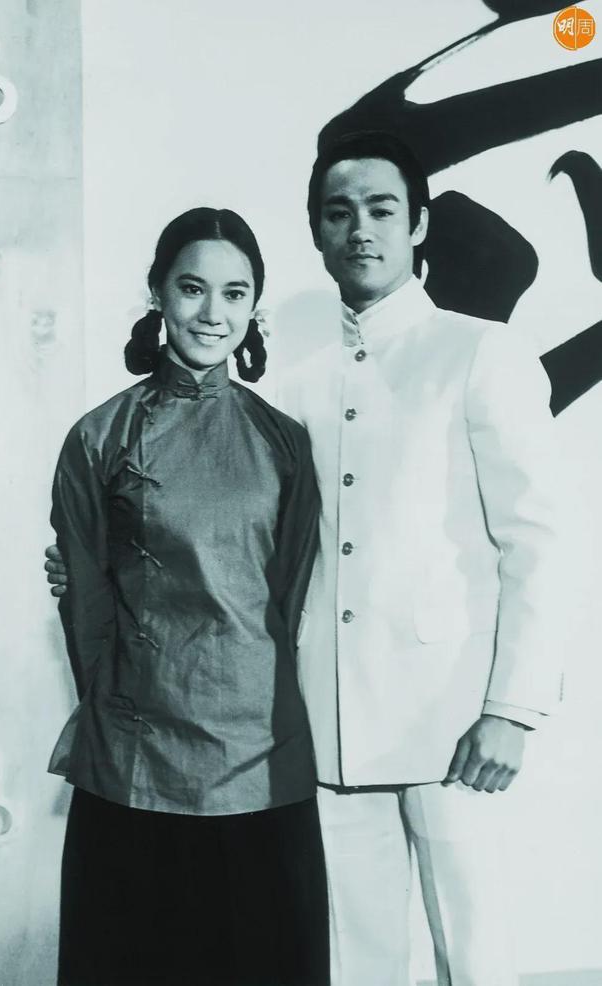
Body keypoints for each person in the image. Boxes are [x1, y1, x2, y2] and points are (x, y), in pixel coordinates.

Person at [47, 133, 565, 986]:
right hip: (322, 735)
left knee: (477, 957)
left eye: (381, 210)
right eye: (338, 213)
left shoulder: (479, 352)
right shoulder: (292, 388)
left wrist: (512, 709)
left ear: (419, 224)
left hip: (451, 724)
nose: (360, 230)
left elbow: (537, 539)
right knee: (352, 964)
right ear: (317, 233)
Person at [46, 206, 329, 986]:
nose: (213, 313)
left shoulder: (286, 441)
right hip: (136, 760)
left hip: (265, 758)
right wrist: (120, 719)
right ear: (158, 293)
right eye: (193, 288)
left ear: (255, 306)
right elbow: (86, 609)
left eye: (235, 294)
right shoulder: (100, 437)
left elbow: (294, 599)